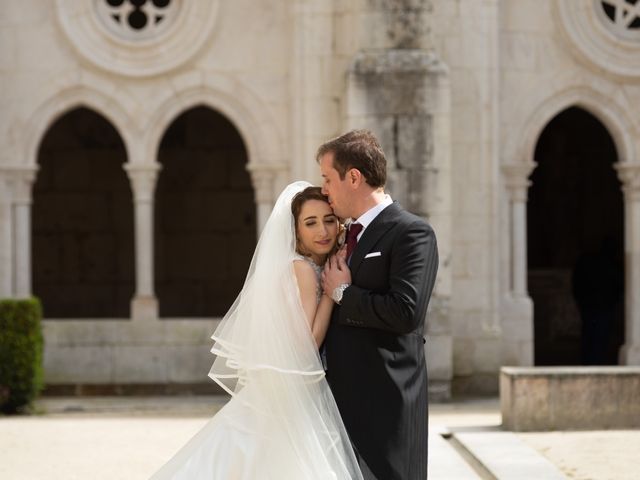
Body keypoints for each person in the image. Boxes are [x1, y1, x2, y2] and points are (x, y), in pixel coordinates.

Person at [150, 182, 363, 480]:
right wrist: (332, 292)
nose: (323, 231)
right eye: (310, 223)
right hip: (291, 391)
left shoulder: (302, 265)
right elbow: (307, 343)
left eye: (329, 220)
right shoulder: (303, 270)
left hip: (283, 387)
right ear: (296, 230)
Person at [319, 130, 439, 480]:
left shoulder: (411, 233)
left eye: (328, 178)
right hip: (338, 408)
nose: (324, 189)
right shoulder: (342, 237)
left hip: (388, 410)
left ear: (353, 177)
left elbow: (406, 311)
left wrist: (343, 293)